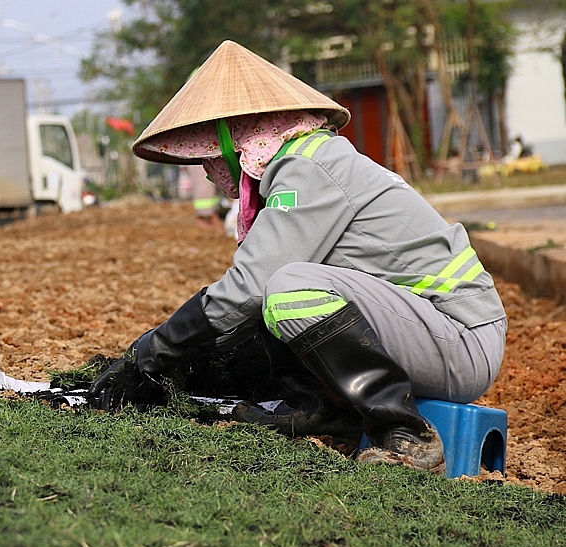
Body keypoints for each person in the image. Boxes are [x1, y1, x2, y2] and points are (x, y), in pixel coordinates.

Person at [89, 41, 507, 474]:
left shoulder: (311, 167)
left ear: (239, 140)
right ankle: (320, 409)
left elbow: (251, 287)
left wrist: (153, 351)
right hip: (428, 329)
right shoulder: (302, 162)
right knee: (268, 308)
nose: (207, 168)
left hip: (460, 340)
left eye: (211, 153)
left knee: (288, 289)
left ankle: (404, 434)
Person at [189, 164, 224, 230]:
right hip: (199, 157)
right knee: (203, 182)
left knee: (212, 185)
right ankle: (202, 218)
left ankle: (212, 215)